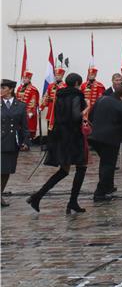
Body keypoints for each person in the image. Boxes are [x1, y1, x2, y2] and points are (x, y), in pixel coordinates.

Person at [28, 72, 89, 214]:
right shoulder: (77, 95)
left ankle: (37, 196)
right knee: (81, 166)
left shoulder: (59, 94)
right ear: (77, 84)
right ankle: (72, 202)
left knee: (64, 170)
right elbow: (75, 116)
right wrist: (87, 109)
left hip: (59, 135)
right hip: (72, 136)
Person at [88, 87, 122, 202]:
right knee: (108, 165)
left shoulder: (101, 100)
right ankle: (99, 193)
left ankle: (108, 187)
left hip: (95, 137)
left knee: (104, 163)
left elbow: (90, 116)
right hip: (110, 140)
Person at [1, 79, 30, 207]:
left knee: (6, 170)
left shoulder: (21, 105)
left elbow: (24, 126)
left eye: (3, 87)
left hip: (12, 142)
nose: (1, 90)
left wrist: (25, 141)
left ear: (11, 90)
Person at [39, 66, 66, 142]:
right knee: (49, 127)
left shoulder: (65, 86)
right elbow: (46, 96)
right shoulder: (51, 86)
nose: (57, 77)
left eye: (59, 75)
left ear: (62, 76)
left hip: (59, 110)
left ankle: (59, 142)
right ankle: (50, 142)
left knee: (58, 127)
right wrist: (42, 107)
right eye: (56, 75)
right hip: (51, 110)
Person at [15, 70, 40, 141]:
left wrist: (30, 112)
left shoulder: (33, 89)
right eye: (23, 78)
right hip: (18, 111)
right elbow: (16, 99)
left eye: (26, 78)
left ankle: (26, 143)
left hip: (27, 112)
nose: (24, 79)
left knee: (27, 128)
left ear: (29, 79)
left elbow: (33, 102)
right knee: (19, 128)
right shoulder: (19, 88)